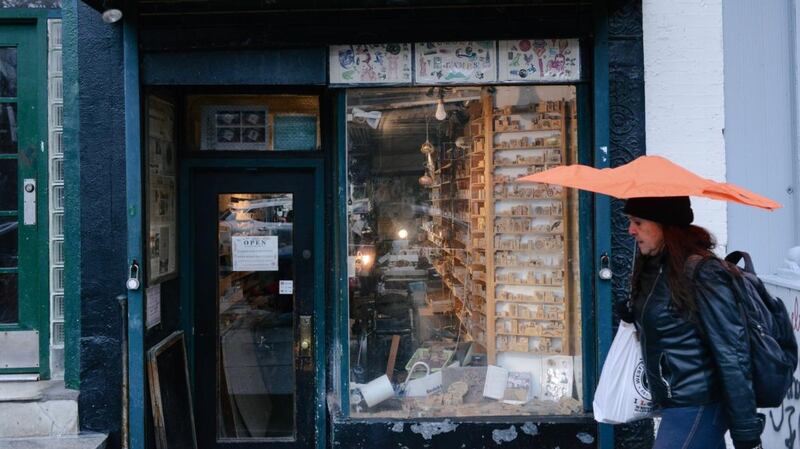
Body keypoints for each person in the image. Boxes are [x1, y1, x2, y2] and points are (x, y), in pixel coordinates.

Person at [616, 196, 764, 449]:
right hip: (679, 404)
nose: (631, 230)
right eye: (631, 222)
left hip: (699, 404)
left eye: (638, 222)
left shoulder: (705, 274)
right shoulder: (659, 268)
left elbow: (732, 353)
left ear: (665, 225)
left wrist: (746, 432)